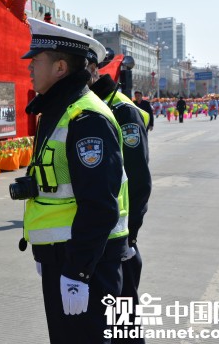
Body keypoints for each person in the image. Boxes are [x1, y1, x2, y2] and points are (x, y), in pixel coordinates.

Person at [18, 18, 128, 343]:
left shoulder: (85, 117)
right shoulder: (58, 111)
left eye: (36, 61)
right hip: (62, 257)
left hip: (86, 264)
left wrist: (77, 272)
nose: (29, 68)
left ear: (60, 67)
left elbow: (99, 204)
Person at [87, 52, 152, 344]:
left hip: (121, 241)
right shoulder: (90, 106)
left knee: (124, 328)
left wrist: (130, 236)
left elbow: (139, 181)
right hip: (101, 241)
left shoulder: (122, 110)